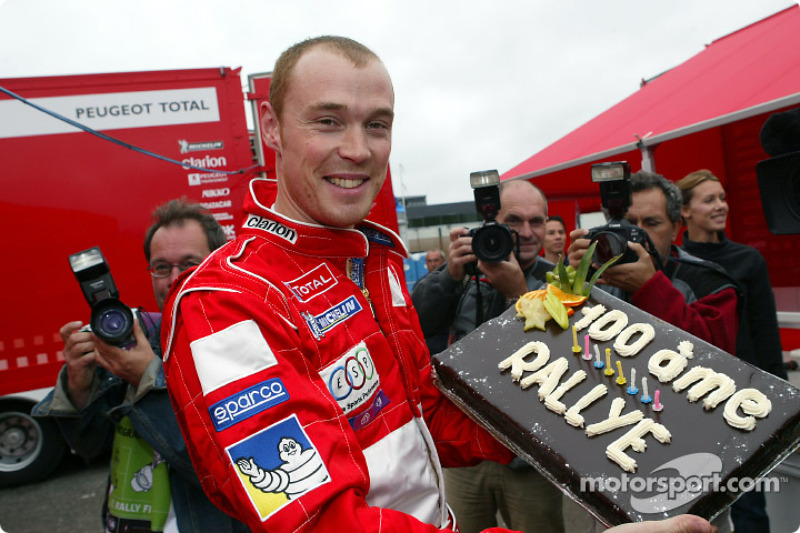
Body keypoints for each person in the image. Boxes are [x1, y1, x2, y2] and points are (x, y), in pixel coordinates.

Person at [160, 36, 715, 533]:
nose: (358, 149)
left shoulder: (370, 261)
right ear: (272, 127)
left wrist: (592, 421)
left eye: (377, 124)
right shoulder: (224, 303)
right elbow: (318, 523)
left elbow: (427, 414)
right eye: (328, 121)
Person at [33, 199, 248, 533]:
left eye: (190, 264)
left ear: (217, 263)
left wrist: (148, 380)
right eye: (161, 267)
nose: (173, 280)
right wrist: (79, 386)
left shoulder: (245, 345)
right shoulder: (138, 338)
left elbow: (234, 475)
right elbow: (91, 445)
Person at [411, 179, 563, 533]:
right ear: (490, 223)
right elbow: (415, 325)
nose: (526, 232)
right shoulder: (464, 274)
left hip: (529, 458)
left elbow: (562, 365)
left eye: (536, 221)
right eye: (514, 221)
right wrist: (448, 277)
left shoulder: (561, 283)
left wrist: (519, 296)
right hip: (461, 452)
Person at [677, 169, 787, 533]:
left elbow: (765, 335)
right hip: (690, 397)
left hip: (745, 399)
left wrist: (783, 407)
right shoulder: (671, 263)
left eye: (722, 197)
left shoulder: (748, 260)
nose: (721, 206)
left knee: (750, 503)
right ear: (685, 211)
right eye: (709, 200)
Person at [568, 170, 739, 356]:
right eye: (629, 224)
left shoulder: (708, 281)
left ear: (675, 228)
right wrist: (575, 281)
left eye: (652, 222)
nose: (640, 235)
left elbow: (715, 355)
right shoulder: (598, 273)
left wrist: (650, 288)